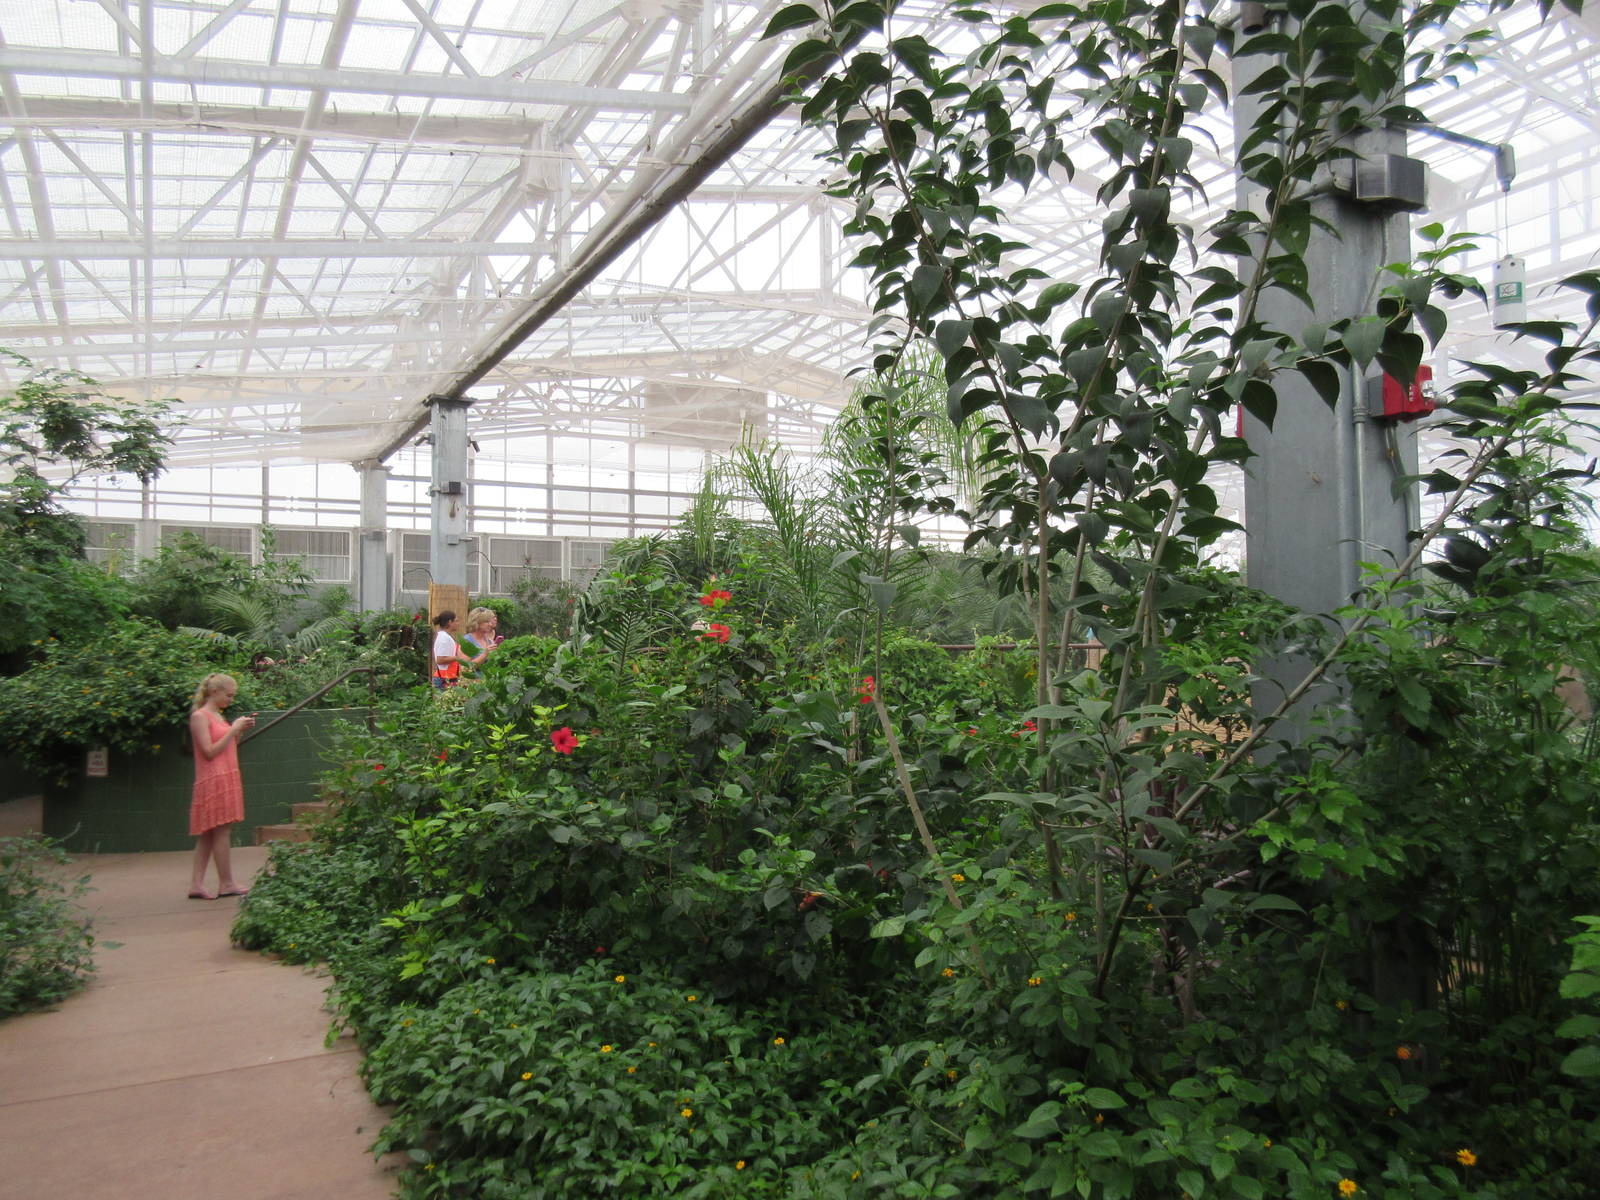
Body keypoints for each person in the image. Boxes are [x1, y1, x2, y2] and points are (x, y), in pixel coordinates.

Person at [188, 673, 255, 900]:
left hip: (226, 774)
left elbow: (226, 746)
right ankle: (226, 883)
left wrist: (237, 732)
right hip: (214, 778)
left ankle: (196, 884)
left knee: (209, 833)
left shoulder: (218, 716)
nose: (231, 699)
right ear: (214, 692)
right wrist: (233, 730)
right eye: (228, 695)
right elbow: (209, 752)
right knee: (221, 830)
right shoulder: (200, 716)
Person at [431, 610, 485, 689]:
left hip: (449, 677)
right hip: (444, 678)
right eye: (456, 621)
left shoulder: (446, 637)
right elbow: (440, 660)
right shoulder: (443, 638)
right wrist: (458, 658)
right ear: (450, 622)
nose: (458, 623)